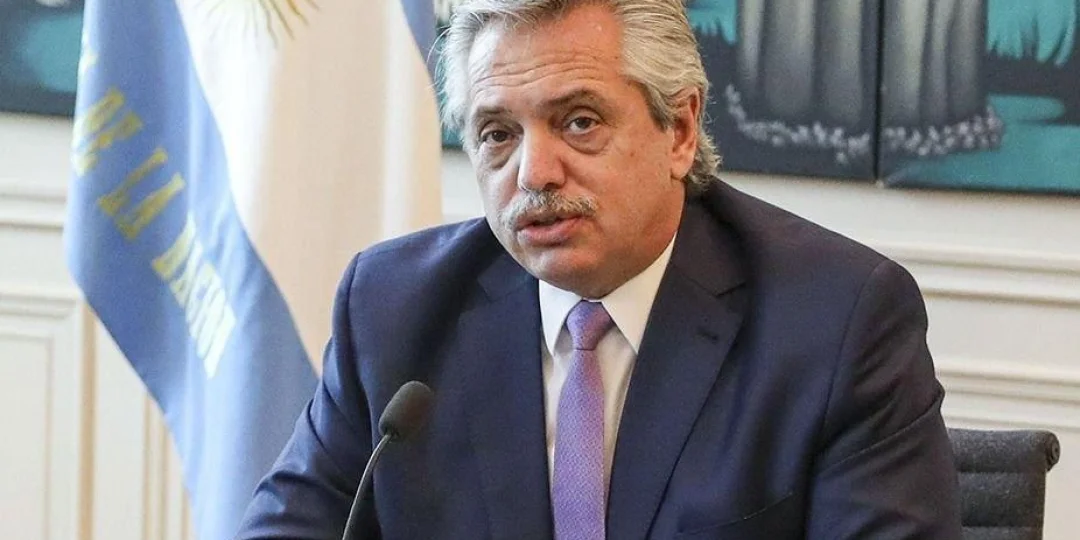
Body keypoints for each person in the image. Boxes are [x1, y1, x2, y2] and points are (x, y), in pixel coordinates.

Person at [236, 1, 961, 538]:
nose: (534, 172)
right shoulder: (393, 309)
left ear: (680, 130)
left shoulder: (837, 322)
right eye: (498, 134)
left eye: (578, 121)